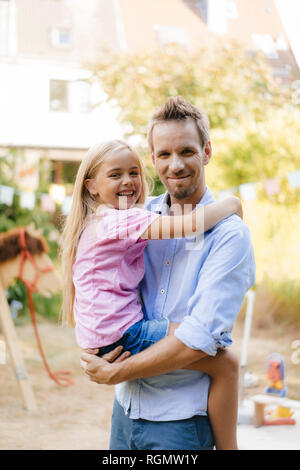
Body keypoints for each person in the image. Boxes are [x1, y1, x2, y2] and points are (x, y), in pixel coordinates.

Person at [79, 97, 256, 451]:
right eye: (163, 154)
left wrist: (114, 372)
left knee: (226, 361)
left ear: (206, 152)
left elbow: (198, 339)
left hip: (180, 425)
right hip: (125, 412)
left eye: (186, 151)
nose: (175, 165)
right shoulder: (140, 217)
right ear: (153, 158)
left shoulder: (229, 235)